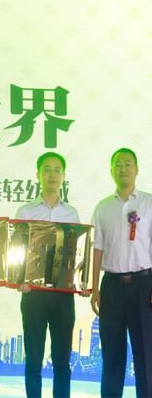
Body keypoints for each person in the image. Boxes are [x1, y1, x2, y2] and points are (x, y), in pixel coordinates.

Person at [16, 152, 80, 398]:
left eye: (57, 170)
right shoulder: (25, 211)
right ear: (38, 174)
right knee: (33, 359)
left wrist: (80, 281)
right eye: (47, 169)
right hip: (33, 294)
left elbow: (76, 255)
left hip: (63, 295)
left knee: (62, 361)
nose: (52, 175)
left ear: (63, 176)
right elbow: (17, 251)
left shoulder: (71, 214)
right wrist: (19, 279)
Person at [90, 148, 152, 397]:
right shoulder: (103, 207)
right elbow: (97, 249)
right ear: (111, 171)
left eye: (127, 164)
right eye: (118, 164)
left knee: (146, 356)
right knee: (112, 356)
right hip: (112, 287)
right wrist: (94, 287)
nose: (123, 168)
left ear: (136, 169)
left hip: (144, 286)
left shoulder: (148, 203)